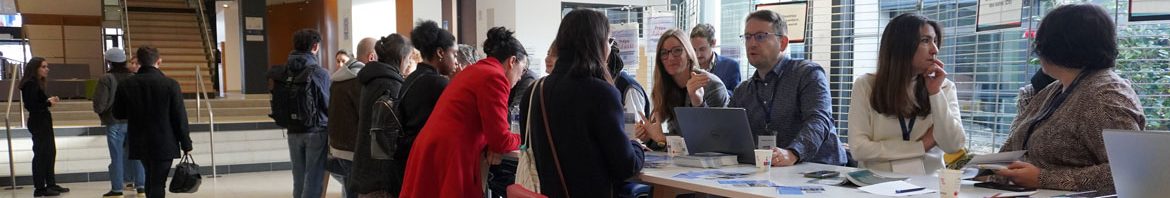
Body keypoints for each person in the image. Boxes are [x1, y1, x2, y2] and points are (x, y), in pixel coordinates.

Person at [986, 4, 1145, 192]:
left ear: (1056, 45)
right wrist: (982, 170)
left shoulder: (1105, 96)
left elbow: (1130, 172)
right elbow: (1015, 149)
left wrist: (1043, 179)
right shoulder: (1055, 89)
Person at [519, 10, 645, 197]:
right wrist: (636, 146)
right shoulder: (602, 94)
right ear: (598, 44)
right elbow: (626, 166)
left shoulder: (534, 90)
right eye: (609, 41)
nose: (610, 48)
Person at [399, 26, 525, 198]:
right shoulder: (495, 77)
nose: (520, 78)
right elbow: (501, 140)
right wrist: (525, 138)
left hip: (434, 148)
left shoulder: (476, 70)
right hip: (450, 154)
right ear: (512, 61)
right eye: (522, 70)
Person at [846, 13, 966, 174]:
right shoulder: (866, 85)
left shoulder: (943, 87)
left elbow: (953, 145)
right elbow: (859, 149)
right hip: (876, 182)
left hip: (928, 184)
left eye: (935, 41)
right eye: (925, 41)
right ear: (901, 46)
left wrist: (935, 93)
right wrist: (922, 145)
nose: (935, 49)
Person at [730, 10, 846, 167]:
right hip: (770, 172)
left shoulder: (808, 74)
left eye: (760, 36)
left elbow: (819, 120)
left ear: (783, 43)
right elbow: (726, 130)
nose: (752, 43)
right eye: (748, 37)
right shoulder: (743, 90)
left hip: (819, 169)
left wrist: (793, 153)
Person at [113, 46, 192, 198]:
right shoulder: (170, 84)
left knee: (150, 177)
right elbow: (179, 116)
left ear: (139, 62)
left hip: (139, 139)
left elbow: (118, 113)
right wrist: (186, 143)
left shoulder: (126, 84)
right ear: (159, 61)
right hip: (164, 141)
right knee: (157, 182)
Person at [635, 28, 730, 150]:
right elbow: (673, 146)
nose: (670, 58)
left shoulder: (711, 86)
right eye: (664, 53)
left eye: (677, 51)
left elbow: (710, 144)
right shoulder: (666, 88)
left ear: (689, 54)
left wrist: (698, 103)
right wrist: (649, 138)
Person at [398, 20, 460, 195]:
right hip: (426, 159)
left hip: (406, 153)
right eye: (454, 54)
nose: (456, 61)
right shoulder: (438, 83)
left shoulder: (412, 77)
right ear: (440, 53)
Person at [349, 33, 410, 197]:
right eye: (409, 58)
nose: (410, 63)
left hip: (364, 167)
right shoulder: (391, 85)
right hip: (380, 176)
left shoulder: (371, 79)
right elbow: (388, 139)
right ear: (402, 58)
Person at [277, 28, 331, 198]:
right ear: (315, 46)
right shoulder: (320, 73)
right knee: (313, 178)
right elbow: (328, 104)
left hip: (292, 130)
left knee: (298, 178)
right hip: (316, 131)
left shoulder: (285, 71)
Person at [94, 48, 146, 197]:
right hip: (134, 122)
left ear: (109, 62)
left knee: (116, 156)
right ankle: (141, 187)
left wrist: (101, 112)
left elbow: (99, 104)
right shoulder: (134, 77)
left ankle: (117, 190)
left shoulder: (106, 78)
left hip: (114, 121)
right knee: (137, 154)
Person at [326, 38, 373, 198]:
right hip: (353, 148)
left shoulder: (338, 79)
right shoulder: (360, 80)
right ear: (371, 57)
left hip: (338, 146)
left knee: (348, 189)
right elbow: (364, 116)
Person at [21, 57, 70, 197]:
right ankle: (40, 188)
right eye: (43, 66)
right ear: (35, 68)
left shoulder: (36, 83)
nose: (47, 69)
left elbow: (37, 101)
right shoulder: (30, 84)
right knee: (41, 154)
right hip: (38, 121)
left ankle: (51, 183)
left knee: (50, 152)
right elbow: (31, 105)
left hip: (43, 120)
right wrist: (48, 103)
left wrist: (48, 101)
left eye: (46, 66)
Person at [691, 23, 742, 94]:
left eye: (702, 49)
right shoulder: (689, 67)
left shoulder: (731, 66)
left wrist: (714, 89)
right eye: (694, 50)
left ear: (713, 43)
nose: (697, 55)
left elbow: (736, 98)